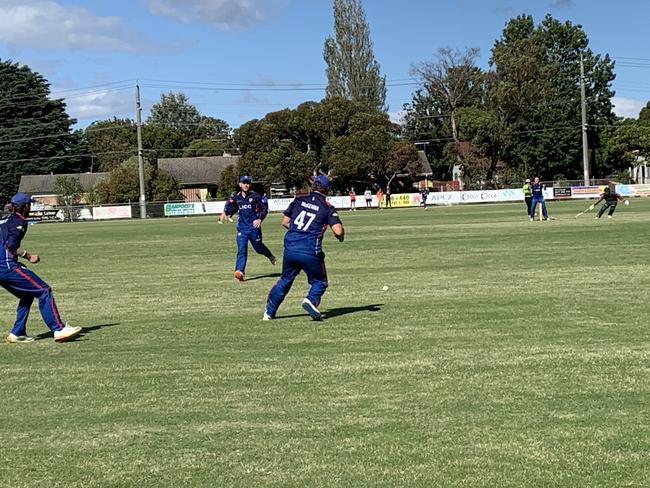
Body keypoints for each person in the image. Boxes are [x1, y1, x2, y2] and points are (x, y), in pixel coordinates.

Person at [1, 192, 82, 343]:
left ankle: (17, 332)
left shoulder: (3, 220)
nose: (31, 208)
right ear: (25, 207)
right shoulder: (20, 221)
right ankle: (58, 329)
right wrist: (28, 256)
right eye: (29, 205)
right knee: (44, 290)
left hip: (3, 267)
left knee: (27, 294)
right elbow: (11, 246)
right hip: (6, 267)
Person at [263, 176, 344, 321]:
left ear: (313, 186)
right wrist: (340, 237)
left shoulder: (298, 200)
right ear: (327, 189)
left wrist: (298, 231)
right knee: (320, 282)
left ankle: (269, 312)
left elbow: (285, 222)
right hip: (310, 250)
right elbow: (338, 231)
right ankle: (310, 300)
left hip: (291, 247)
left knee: (285, 280)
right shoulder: (327, 207)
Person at [219, 175, 277, 281]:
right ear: (240, 184)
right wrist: (225, 212)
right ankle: (240, 271)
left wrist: (259, 219)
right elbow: (231, 206)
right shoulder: (236, 196)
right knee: (242, 250)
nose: (245, 185)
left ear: (250, 184)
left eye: (247, 183)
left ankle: (269, 255)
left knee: (258, 248)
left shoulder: (256, 196)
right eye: (243, 183)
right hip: (242, 228)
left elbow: (264, 209)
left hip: (254, 228)